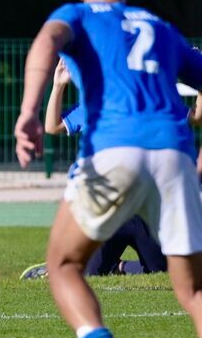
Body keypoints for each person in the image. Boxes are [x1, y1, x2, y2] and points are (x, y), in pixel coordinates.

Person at [14, 0, 202, 338]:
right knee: (193, 291)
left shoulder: (76, 16)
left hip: (115, 150)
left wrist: (29, 111)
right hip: (175, 154)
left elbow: (46, 42)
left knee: (61, 264)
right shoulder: (160, 28)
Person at [20, 59, 167, 279]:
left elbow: (195, 116)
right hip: (109, 212)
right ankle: (59, 266)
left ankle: (121, 267)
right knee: (89, 274)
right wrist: (59, 85)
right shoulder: (95, 107)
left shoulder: (153, 106)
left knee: (167, 272)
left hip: (144, 212)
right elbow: (52, 127)